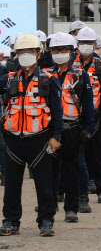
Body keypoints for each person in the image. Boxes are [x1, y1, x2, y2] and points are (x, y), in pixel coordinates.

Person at [0, 33, 63, 237]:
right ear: (15, 55)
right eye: (21, 52)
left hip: (40, 139)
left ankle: (46, 220)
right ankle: (10, 220)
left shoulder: (49, 79)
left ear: (38, 54)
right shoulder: (8, 79)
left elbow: (57, 110)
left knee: (44, 184)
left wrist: (56, 137)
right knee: (11, 186)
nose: (25, 55)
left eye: (29, 51)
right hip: (13, 140)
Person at [49, 32, 95, 224]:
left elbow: (88, 103)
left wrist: (89, 127)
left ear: (71, 51)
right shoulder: (45, 75)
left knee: (72, 169)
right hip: (49, 130)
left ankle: (71, 208)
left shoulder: (80, 75)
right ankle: (49, 206)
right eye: (56, 50)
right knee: (48, 171)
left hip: (72, 128)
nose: (59, 53)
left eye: (63, 50)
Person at [74, 27, 101, 204]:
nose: (85, 46)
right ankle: (75, 188)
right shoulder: (70, 65)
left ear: (95, 44)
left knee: (99, 154)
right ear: (77, 45)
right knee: (76, 155)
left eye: (89, 43)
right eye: (82, 43)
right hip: (75, 117)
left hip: (97, 116)